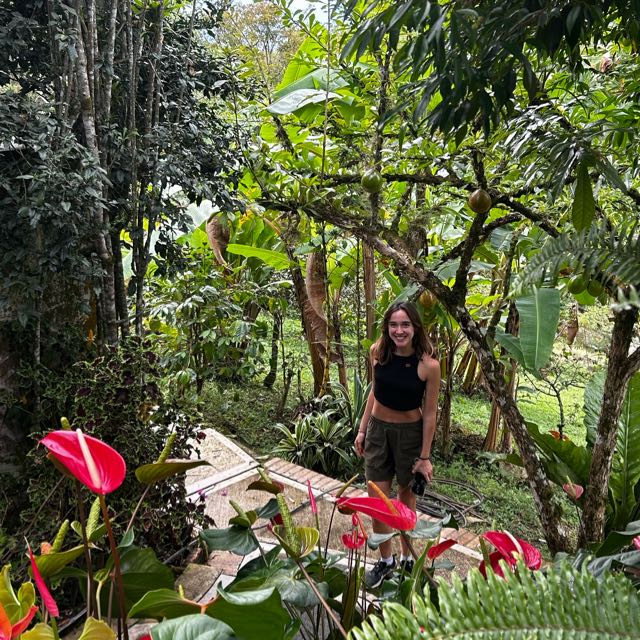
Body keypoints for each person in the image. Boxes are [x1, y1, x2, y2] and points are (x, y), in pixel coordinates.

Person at [354, 300, 440, 588]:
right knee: (377, 498)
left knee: (406, 498)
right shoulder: (377, 352)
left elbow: (430, 414)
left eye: (405, 324)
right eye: (393, 324)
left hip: (409, 436)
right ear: (386, 327)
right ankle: (386, 560)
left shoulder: (428, 366)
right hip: (378, 432)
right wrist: (363, 429)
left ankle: (406, 558)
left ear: (415, 328)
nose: (399, 330)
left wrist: (424, 457)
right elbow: (374, 392)